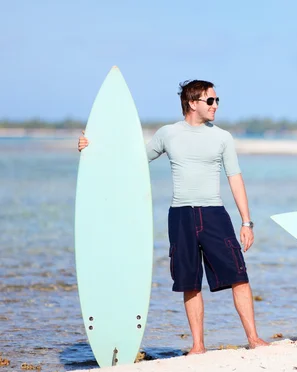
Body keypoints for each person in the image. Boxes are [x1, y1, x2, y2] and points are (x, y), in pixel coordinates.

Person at [78, 80, 268, 354]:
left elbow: (235, 179)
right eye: (210, 101)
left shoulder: (222, 137)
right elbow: (133, 160)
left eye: (217, 101)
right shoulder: (168, 134)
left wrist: (246, 222)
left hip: (214, 213)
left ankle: (253, 338)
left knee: (239, 276)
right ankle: (198, 345)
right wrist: (92, 148)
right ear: (193, 103)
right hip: (180, 216)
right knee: (189, 282)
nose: (216, 106)